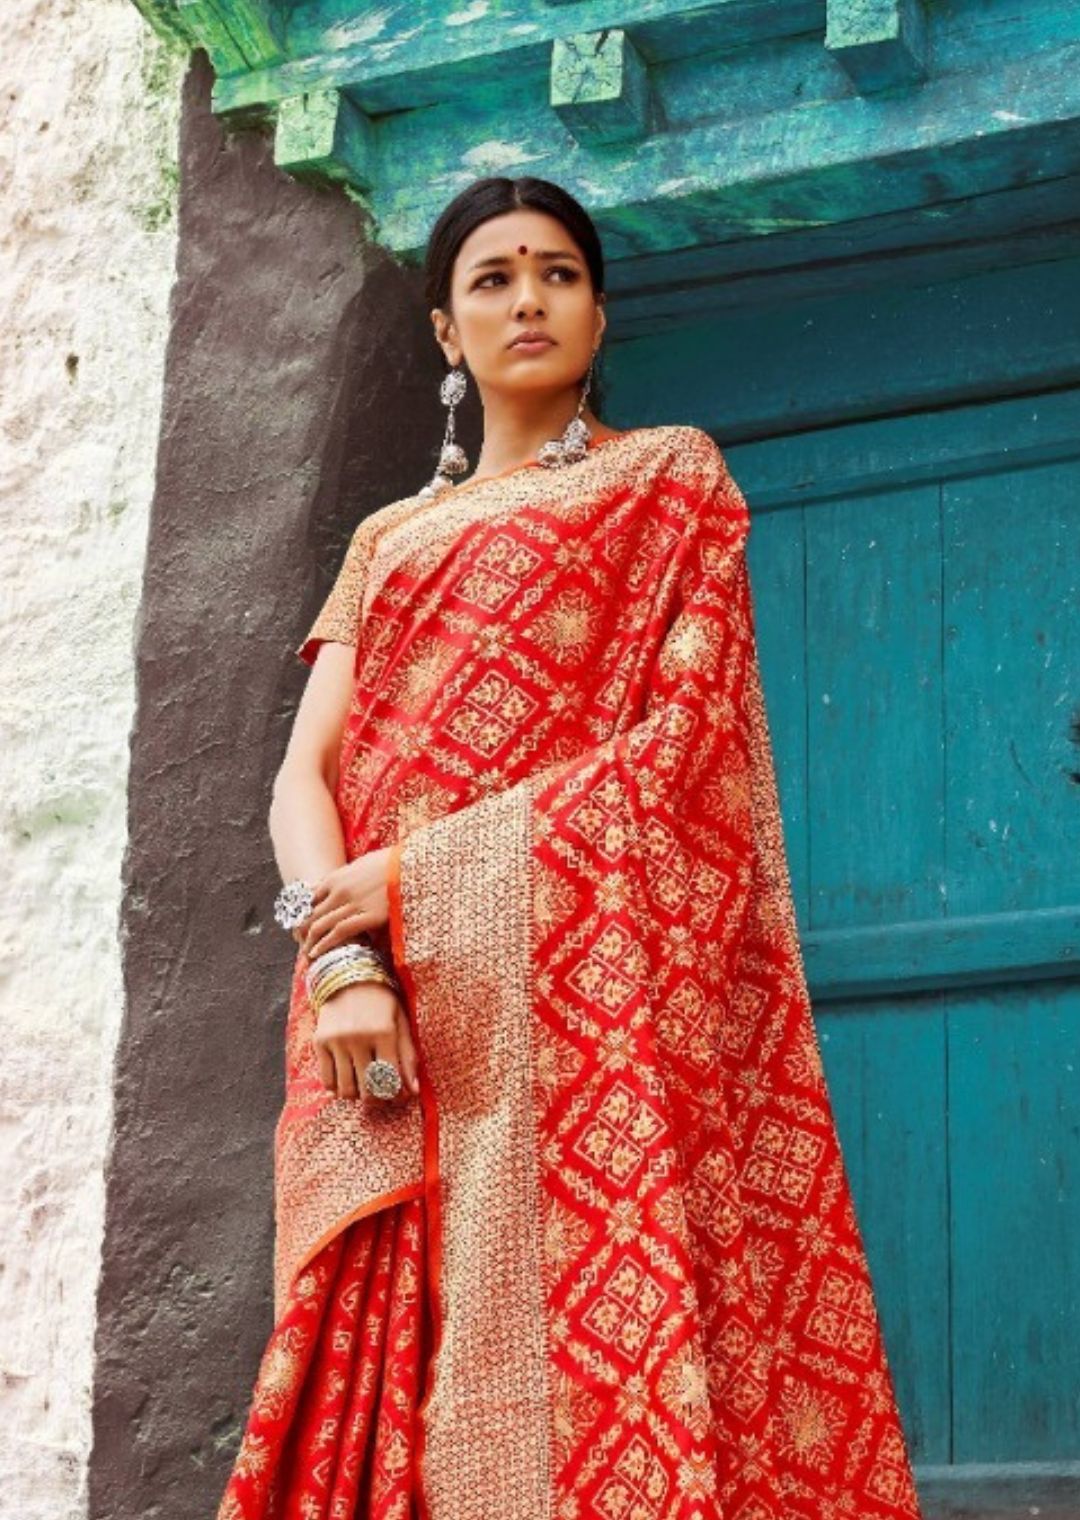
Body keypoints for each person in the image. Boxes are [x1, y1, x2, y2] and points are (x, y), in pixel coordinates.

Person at [216, 175, 924, 1520]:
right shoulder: (390, 539)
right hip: (393, 1006)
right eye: (492, 277)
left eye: (557, 273)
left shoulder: (669, 479)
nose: (526, 298)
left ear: (599, 311)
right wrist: (346, 957)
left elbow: (683, 751)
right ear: (443, 330)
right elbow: (303, 776)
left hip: (592, 1009)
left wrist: (421, 878)